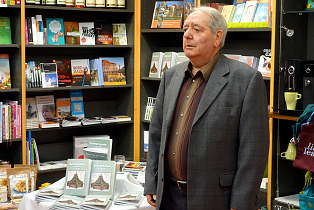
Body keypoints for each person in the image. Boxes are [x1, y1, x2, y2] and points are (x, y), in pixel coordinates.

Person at [144, 6, 269, 210]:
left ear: (217, 37)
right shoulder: (170, 76)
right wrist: (152, 181)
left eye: (196, 29)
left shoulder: (246, 80)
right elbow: (157, 134)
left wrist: (242, 202)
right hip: (168, 196)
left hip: (216, 198)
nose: (187, 35)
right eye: (185, 29)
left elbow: (253, 151)